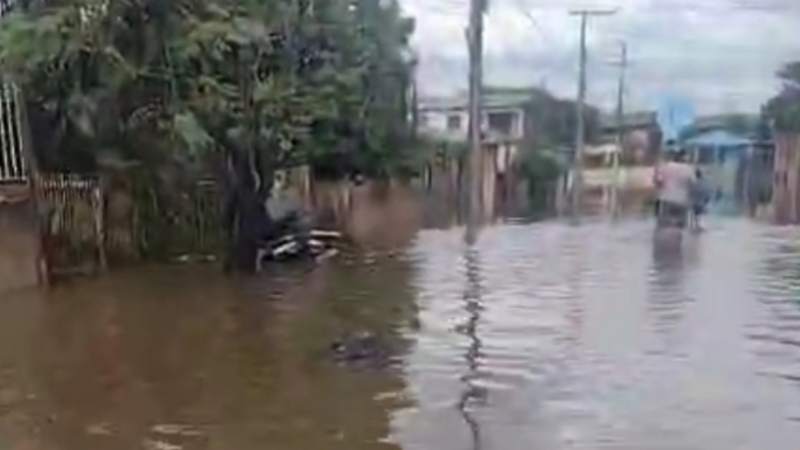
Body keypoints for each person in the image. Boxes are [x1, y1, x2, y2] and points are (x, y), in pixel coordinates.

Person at [653, 148, 696, 229]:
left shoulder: (665, 167)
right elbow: (692, 185)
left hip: (667, 199)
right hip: (682, 200)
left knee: (663, 225)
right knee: (680, 227)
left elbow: (658, 182)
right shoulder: (689, 169)